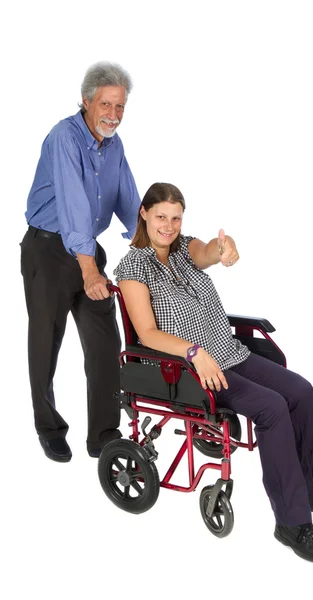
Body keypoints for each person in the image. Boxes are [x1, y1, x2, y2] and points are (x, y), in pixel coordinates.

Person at [113, 182, 313, 563]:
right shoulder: (133, 266)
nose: (169, 225)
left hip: (230, 352)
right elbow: (146, 333)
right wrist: (193, 352)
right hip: (190, 369)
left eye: (176, 217)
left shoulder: (183, 248)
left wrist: (224, 246)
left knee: (300, 391)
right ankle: (291, 522)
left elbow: (207, 252)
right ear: (144, 214)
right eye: (161, 216)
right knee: (272, 408)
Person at [21, 61, 141, 462]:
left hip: (86, 248)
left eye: (120, 107)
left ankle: (104, 435)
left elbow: (129, 202)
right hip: (49, 250)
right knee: (45, 340)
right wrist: (89, 270)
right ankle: (48, 426)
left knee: (105, 340)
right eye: (106, 104)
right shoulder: (64, 138)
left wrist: (161, 243)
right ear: (87, 101)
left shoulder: (114, 146)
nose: (113, 115)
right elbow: (73, 208)